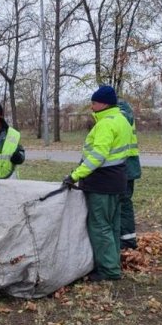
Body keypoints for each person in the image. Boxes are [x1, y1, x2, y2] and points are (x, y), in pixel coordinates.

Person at [63, 85, 133, 281]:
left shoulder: (105, 124)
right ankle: (113, 263)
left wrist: (75, 175)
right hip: (118, 180)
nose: (91, 107)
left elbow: (97, 156)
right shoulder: (123, 120)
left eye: (93, 102)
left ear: (103, 103)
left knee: (100, 226)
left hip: (102, 182)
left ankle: (108, 270)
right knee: (112, 225)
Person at [117, 100, 142, 249]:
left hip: (125, 167)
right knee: (123, 204)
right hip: (128, 167)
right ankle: (126, 239)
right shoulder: (124, 111)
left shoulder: (121, 113)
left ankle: (127, 241)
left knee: (123, 205)